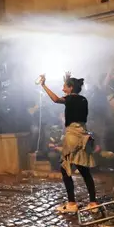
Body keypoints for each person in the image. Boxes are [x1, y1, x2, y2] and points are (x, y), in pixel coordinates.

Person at [38, 73, 98, 214]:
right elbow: (71, 98)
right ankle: (93, 202)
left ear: (71, 88)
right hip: (83, 134)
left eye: (65, 86)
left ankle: (71, 203)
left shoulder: (70, 98)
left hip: (73, 135)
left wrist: (44, 85)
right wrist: (67, 79)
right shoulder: (83, 99)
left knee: (65, 169)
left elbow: (55, 99)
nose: (63, 88)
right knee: (84, 171)